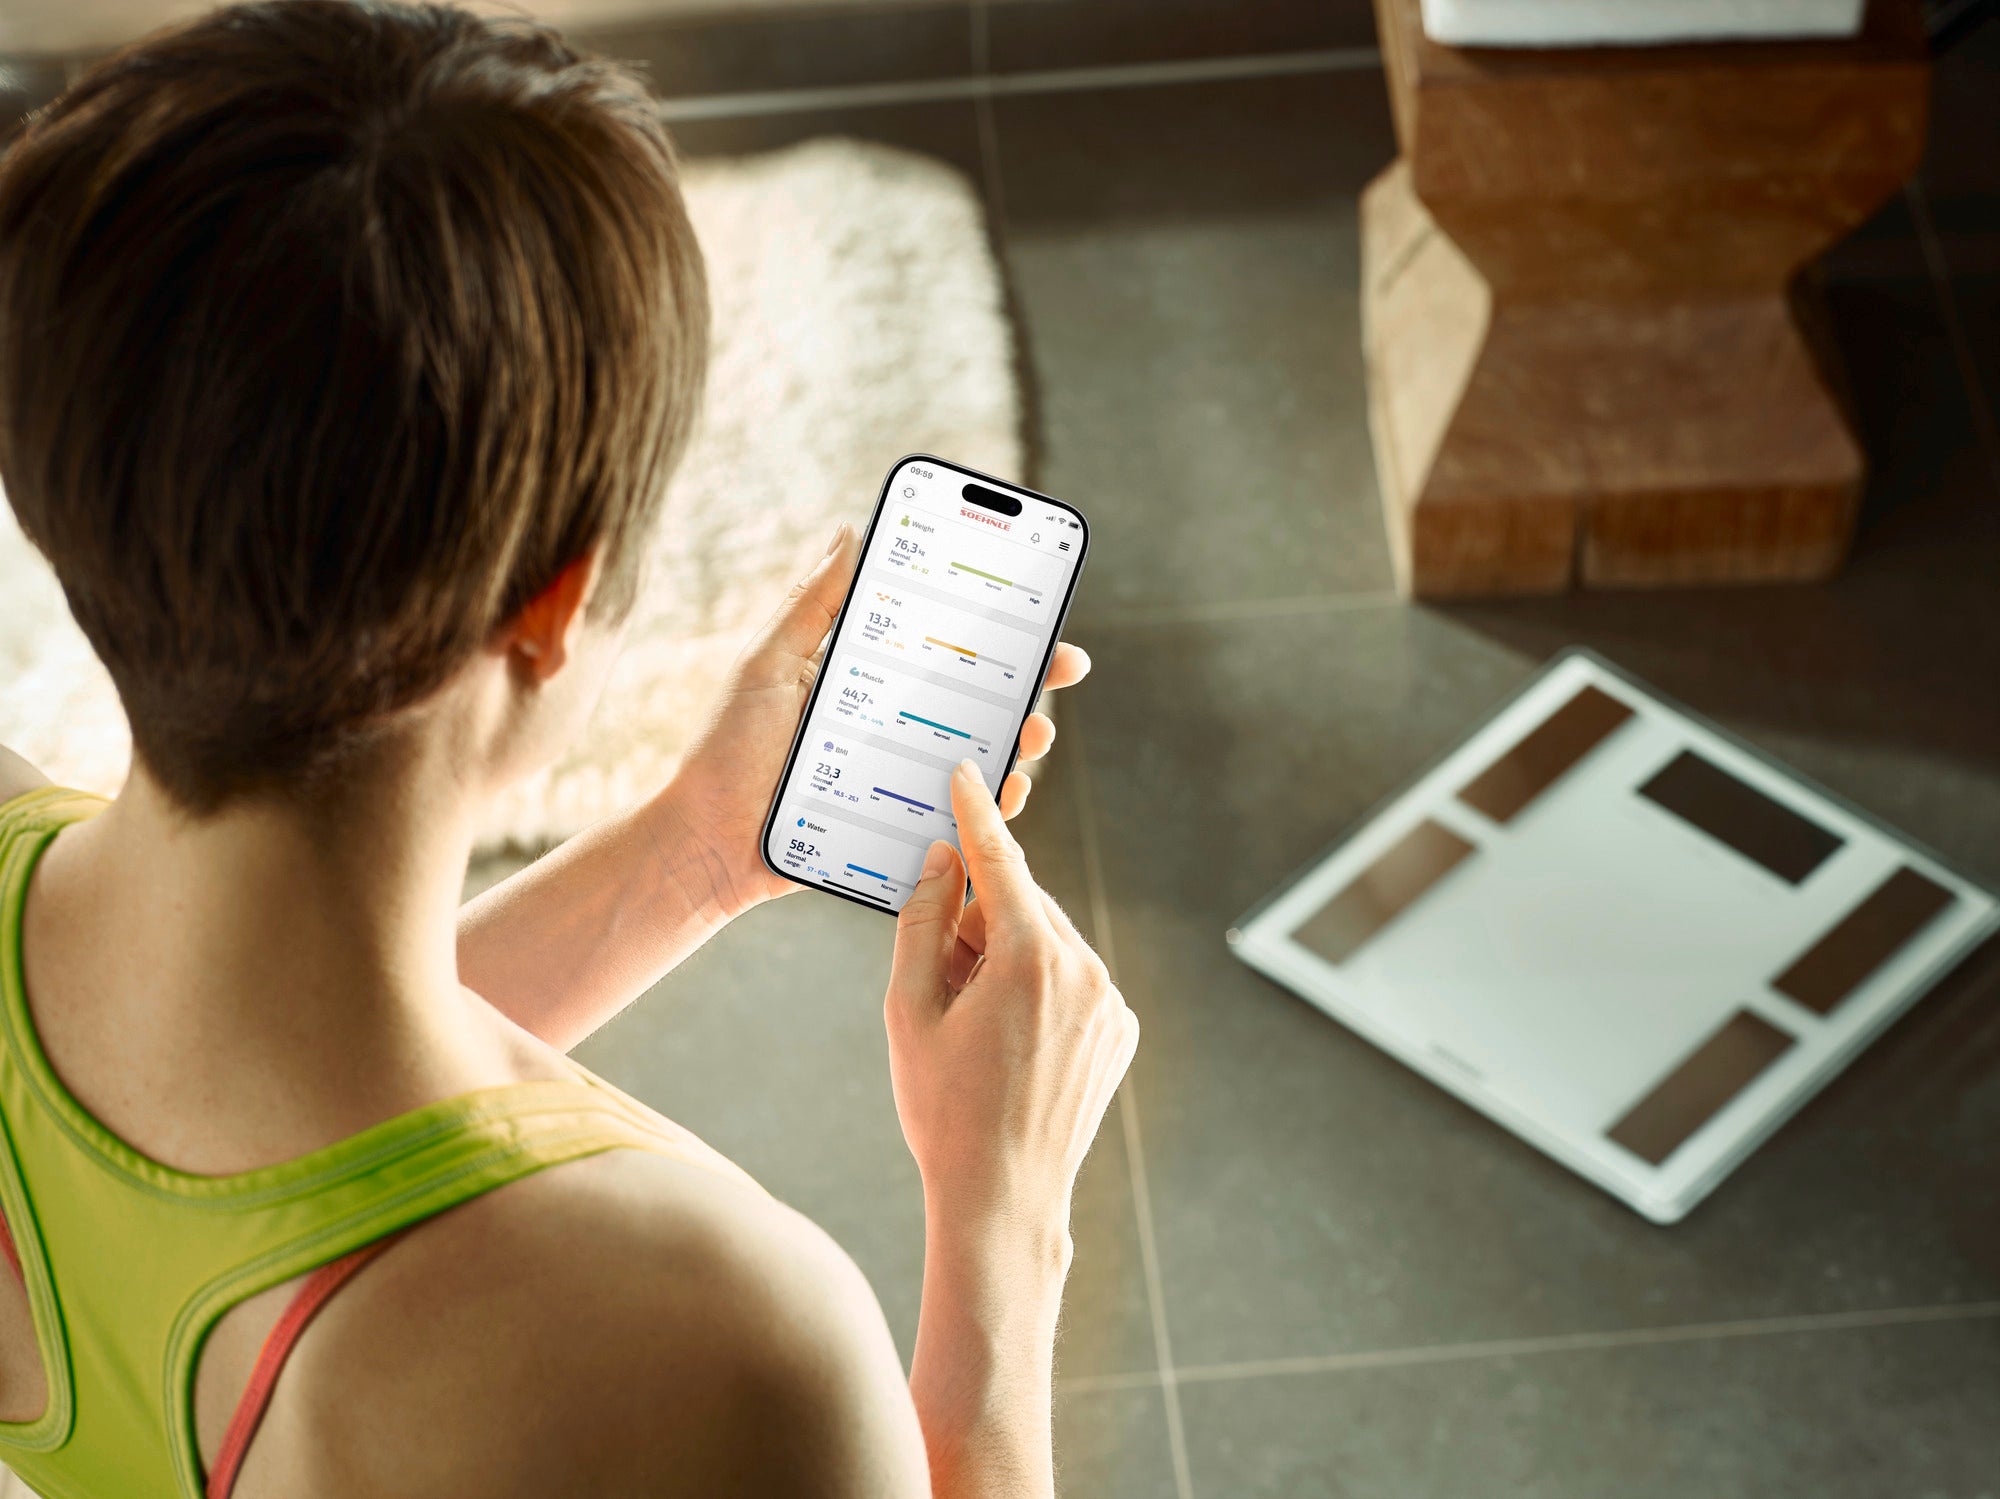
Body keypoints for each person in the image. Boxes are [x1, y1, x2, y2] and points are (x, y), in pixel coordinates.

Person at [0, 2, 1138, 1496]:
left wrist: (692, 852)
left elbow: (254, 1138)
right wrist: (1008, 1222)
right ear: (555, 603)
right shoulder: (712, 1347)